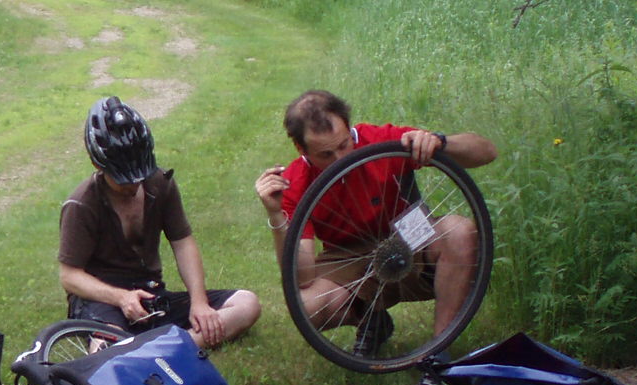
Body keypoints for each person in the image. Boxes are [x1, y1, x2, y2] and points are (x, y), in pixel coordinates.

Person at [255, 89, 496, 357]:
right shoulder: (295, 181)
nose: (341, 160)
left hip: (408, 238)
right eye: (325, 155)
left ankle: (437, 354)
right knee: (305, 306)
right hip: (347, 256)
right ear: (300, 149)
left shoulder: (382, 141)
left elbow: (487, 152)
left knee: (459, 231)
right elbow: (300, 277)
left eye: (345, 144)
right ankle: (372, 318)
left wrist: (438, 142)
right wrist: (276, 216)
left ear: (350, 127)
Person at [58, 97, 261, 350]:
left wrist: (199, 303)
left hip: (151, 294)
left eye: (139, 175)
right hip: (103, 301)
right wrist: (121, 298)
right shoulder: (81, 204)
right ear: (98, 164)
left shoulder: (160, 184)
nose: (134, 185)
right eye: (123, 179)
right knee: (107, 346)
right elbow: (69, 276)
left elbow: (183, 242)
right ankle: (161, 348)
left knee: (246, 304)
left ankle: (160, 350)